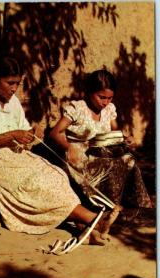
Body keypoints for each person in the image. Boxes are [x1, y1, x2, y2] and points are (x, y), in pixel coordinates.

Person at [0, 56, 121, 246]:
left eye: (18, 83)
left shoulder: (12, 101)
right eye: (10, 83)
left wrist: (31, 133)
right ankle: (94, 219)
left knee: (56, 174)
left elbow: (22, 131)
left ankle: (85, 229)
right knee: (36, 183)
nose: (14, 88)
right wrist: (11, 135)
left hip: (13, 155)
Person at [49, 69, 152, 209]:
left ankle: (130, 206)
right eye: (101, 97)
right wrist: (70, 148)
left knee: (128, 160)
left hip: (103, 153)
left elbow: (115, 131)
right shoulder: (78, 108)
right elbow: (55, 133)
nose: (105, 102)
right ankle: (105, 208)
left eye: (110, 98)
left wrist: (126, 138)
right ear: (89, 92)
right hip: (81, 156)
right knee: (113, 165)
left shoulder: (109, 109)